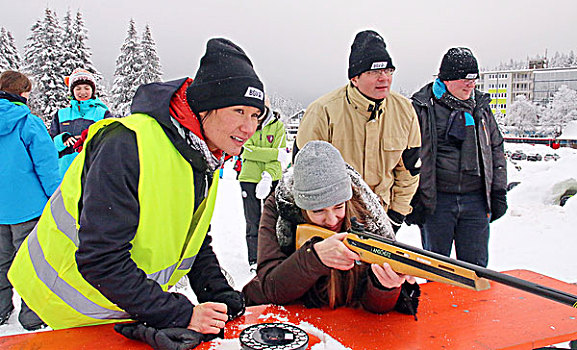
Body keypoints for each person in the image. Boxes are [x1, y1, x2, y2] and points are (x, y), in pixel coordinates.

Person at [9, 38, 265, 349]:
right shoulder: (127, 143)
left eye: (256, 115)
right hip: (70, 308)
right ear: (206, 107)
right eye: (239, 111)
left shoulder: (201, 155)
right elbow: (101, 260)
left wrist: (215, 291)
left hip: (126, 304)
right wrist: (179, 313)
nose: (249, 127)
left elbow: (191, 238)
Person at [242, 141, 420, 317]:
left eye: (338, 206)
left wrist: (383, 287)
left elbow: (372, 309)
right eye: (318, 210)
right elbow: (269, 288)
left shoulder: (366, 215)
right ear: (301, 208)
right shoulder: (279, 210)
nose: (331, 219)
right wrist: (313, 258)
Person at [295, 30, 421, 233]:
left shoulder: (405, 110)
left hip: (383, 217)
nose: (384, 79)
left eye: (388, 71)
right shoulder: (323, 111)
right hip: (334, 221)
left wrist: (396, 215)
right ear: (355, 78)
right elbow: (301, 174)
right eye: (374, 72)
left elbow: (409, 170)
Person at [407, 47, 507, 267]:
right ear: (448, 79)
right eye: (465, 79)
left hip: (476, 201)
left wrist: (498, 191)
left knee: (476, 271)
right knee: (436, 269)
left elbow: (496, 149)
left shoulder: (480, 107)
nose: (471, 85)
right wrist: (413, 200)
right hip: (437, 202)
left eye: (474, 79)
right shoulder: (423, 107)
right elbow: (409, 156)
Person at [0, 71, 60, 330]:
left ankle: (1, 311)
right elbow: (46, 166)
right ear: (22, 93)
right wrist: (55, 199)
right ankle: (32, 317)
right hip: (29, 208)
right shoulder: (28, 122)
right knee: (32, 264)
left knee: (1, 263)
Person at [238, 99, 287, 268]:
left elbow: (280, 157)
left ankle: (272, 256)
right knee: (252, 221)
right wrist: (273, 153)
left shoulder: (277, 126)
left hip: (272, 179)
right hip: (248, 178)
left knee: (272, 220)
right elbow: (245, 150)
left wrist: (268, 176)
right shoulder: (246, 124)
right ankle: (254, 259)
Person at [50, 68, 112, 177]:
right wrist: (61, 140)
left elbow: (111, 141)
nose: (82, 92)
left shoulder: (102, 114)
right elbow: (49, 144)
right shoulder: (61, 114)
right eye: (78, 88)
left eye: (86, 88)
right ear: (72, 91)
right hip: (65, 171)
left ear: (92, 90)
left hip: (92, 171)